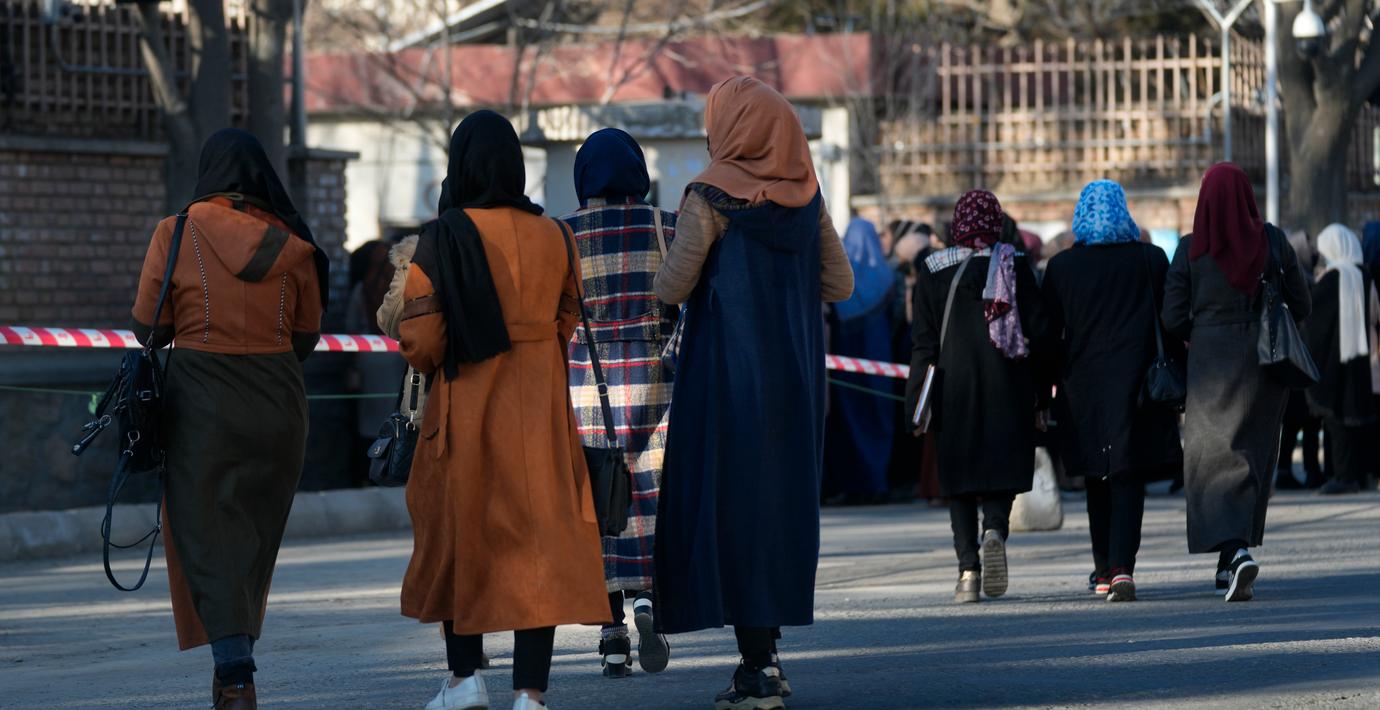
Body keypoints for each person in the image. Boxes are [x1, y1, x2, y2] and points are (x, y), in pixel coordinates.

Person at [653, 76, 854, 710]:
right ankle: (767, 658)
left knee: (731, 506)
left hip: (728, 375)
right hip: (793, 375)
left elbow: (673, 284)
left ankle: (758, 667)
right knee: (776, 505)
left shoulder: (709, 194)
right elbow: (841, 284)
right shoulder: (807, 196)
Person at [396, 110, 609, 710]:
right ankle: (530, 693)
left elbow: (424, 340)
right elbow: (568, 317)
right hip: (539, 409)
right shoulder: (556, 236)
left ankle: (465, 680)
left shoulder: (444, 236)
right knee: (539, 546)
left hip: (466, 406)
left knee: (459, 537)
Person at [131, 128, 329, 710]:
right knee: (252, 539)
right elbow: (306, 336)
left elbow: (148, 328)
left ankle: (235, 675)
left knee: (205, 537)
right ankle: (231, 669)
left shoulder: (176, 232)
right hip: (279, 405)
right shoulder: (293, 243)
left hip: (201, 404)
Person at [1162, 162, 1311, 602]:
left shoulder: (1191, 249)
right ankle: (1230, 559)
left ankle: (1233, 551)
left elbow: (1173, 316)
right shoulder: (1273, 241)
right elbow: (1301, 302)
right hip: (1264, 362)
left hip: (1210, 361)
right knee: (1251, 455)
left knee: (1211, 460)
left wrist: (1201, 329)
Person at [559, 128, 676, 678]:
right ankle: (648, 599)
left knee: (599, 500)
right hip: (656, 382)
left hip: (585, 384)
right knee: (650, 496)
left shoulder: (563, 235)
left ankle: (610, 634)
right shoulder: (665, 226)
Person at [905, 189, 1050, 604]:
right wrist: (1043, 395)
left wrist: (916, 402)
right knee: (1002, 467)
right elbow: (1040, 334)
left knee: (960, 479)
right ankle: (995, 529)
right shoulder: (1015, 263)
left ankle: (968, 571)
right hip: (1010, 385)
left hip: (953, 389)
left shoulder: (932, 268)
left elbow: (923, 342)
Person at [1042, 180, 1183, 602]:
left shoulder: (1062, 267)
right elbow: (1169, 323)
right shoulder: (1150, 259)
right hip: (1136, 386)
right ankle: (1122, 567)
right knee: (1127, 475)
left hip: (1082, 387)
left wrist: (1043, 389)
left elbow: (1048, 335)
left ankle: (1103, 567)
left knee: (1096, 475)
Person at [824, 217, 898, 503]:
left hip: (845, 365)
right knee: (878, 421)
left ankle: (851, 485)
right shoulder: (886, 276)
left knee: (849, 423)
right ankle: (877, 483)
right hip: (881, 363)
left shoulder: (841, 278)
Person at [1306, 224, 1377, 495]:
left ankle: (1343, 476)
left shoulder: (1333, 277)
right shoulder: (1363, 275)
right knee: (1356, 416)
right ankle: (1360, 473)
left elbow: (1312, 315)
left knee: (1336, 418)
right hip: (1361, 357)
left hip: (1334, 359)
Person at [1277, 229, 1324, 489]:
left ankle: (1289, 469)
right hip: (1303, 358)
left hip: (1294, 359)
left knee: (1296, 419)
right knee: (1306, 418)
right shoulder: (1303, 285)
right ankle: (1309, 469)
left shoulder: (1289, 281)